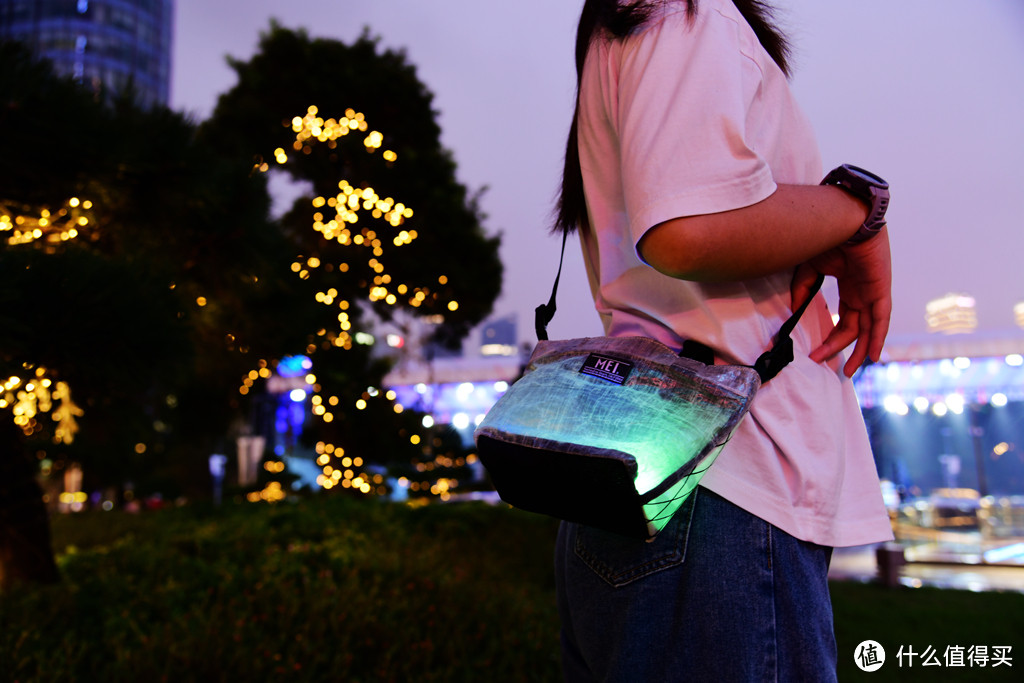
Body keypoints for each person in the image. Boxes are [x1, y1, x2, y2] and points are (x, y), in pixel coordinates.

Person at [551, 1, 894, 680]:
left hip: (647, 475)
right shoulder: (684, 11)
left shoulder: (630, 21)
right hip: (723, 483)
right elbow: (686, 229)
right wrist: (860, 212)